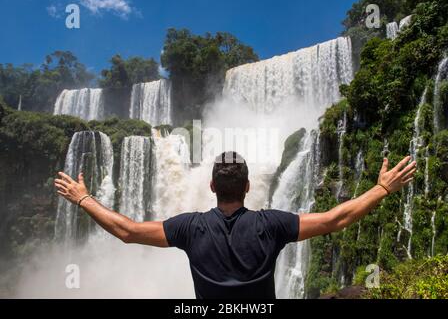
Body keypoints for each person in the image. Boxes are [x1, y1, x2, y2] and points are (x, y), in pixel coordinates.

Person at [54, 151, 416, 299]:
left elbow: (128, 231)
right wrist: (382, 187)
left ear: (211, 187)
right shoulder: (272, 224)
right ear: (247, 187)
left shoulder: (188, 227)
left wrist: (83, 198)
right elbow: (337, 219)